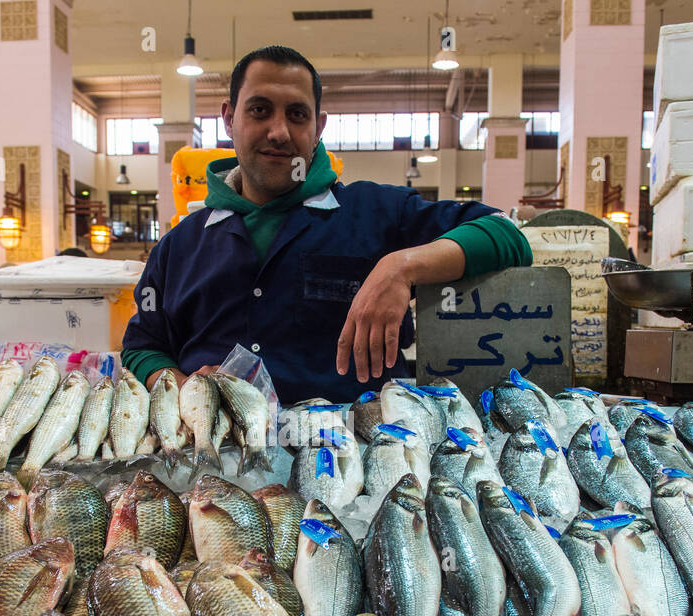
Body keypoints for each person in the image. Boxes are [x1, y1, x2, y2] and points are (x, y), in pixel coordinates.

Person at [121, 45, 531, 404]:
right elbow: (143, 345)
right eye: (259, 110)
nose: (279, 132)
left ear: (319, 127)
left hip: (359, 466)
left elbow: (505, 233)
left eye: (297, 115)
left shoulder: (376, 212)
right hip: (215, 470)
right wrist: (180, 386)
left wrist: (402, 268)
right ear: (229, 119)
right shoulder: (180, 245)